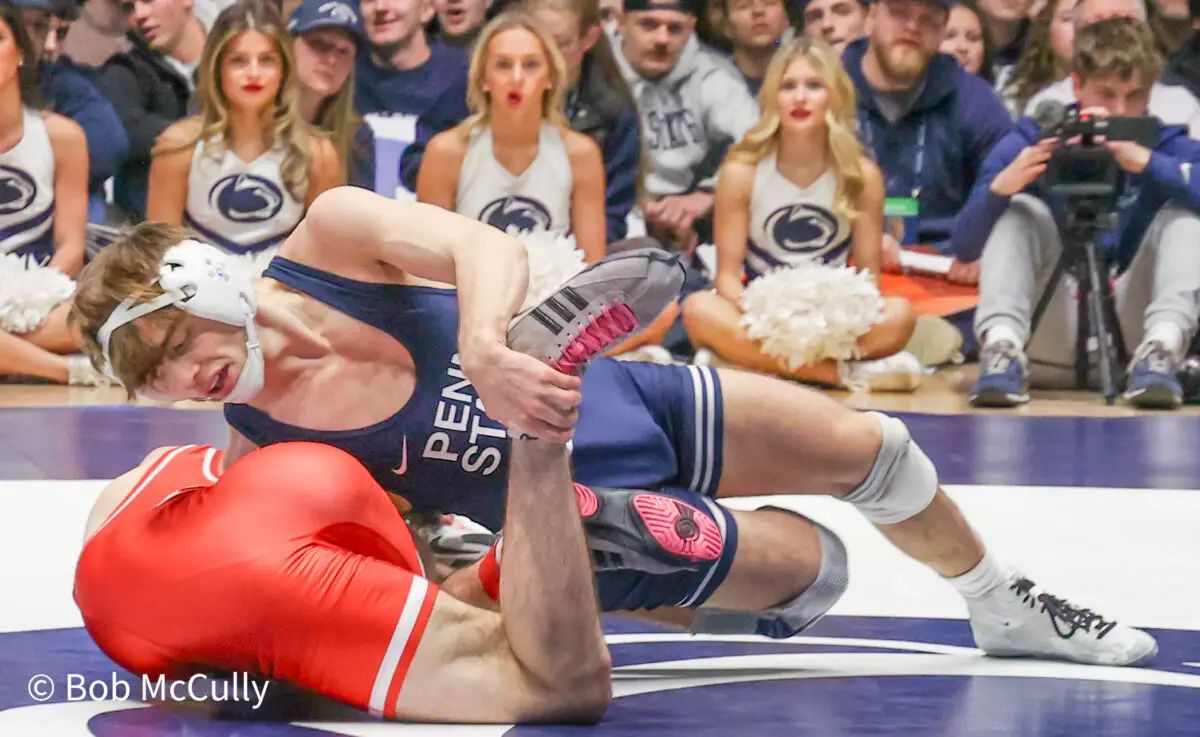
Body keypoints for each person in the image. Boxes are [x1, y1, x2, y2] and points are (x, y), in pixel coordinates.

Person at [71, 183, 1160, 669]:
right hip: (584, 518)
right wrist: (496, 571)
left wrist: (491, 345)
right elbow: (384, 560)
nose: (180, 380)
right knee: (810, 571)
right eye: (155, 379)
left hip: (624, 398)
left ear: (199, 279)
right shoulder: (265, 439)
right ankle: (687, 600)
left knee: (877, 448)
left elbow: (480, 249)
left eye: (169, 347)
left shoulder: (332, 237)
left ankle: (1001, 600)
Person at [75, 437, 616, 723]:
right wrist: (511, 567)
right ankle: (539, 452)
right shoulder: (351, 552)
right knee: (561, 685)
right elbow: (517, 647)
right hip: (281, 522)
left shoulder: (171, 462)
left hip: (116, 551)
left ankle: (514, 552)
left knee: (443, 610)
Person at [954, 17, 1200, 409]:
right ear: (1077, 85)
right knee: (1017, 208)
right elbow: (964, 245)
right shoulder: (1036, 136)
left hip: (1131, 332)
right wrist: (1002, 188)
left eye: (1134, 95)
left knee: (1185, 217)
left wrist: (1154, 166)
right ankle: (1001, 350)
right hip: (1049, 328)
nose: (1119, 110)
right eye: (1106, 93)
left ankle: (1163, 351)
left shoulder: (1164, 142)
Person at [681, 39, 922, 391]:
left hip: (832, 319)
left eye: (814, 86)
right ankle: (834, 374)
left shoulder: (862, 175)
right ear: (772, 98)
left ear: (834, 97)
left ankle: (750, 364)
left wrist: (830, 321)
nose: (800, 98)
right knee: (699, 309)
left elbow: (869, 279)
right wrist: (768, 318)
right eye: (788, 86)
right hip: (764, 316)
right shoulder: (741, 173)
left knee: (901, 314)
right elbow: (728, 277)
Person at [146, 0, 341, 255]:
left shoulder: (318, 154)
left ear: (284, 69)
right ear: (217, 68)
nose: (253, 73)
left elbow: (327, 258)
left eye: (267, 60)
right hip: (199, 291)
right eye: (238, 61)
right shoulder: (178, 146)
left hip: (284, 291)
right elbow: (159, 256)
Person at [417, 11, 608, 261]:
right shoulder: (446, 152)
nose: (516, 78)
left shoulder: (580, 154)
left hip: (554, 296)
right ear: (484, 78)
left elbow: (592, 269)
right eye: (503, 65)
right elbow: (427, 269)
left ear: (550, 77)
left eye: (530, 65)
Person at [0, 1, 102, 385]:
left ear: (21, 52)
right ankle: (64, 371)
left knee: (96, 317)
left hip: (43, 301)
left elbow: (71, 250)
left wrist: (28, 299)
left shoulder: (62, 137)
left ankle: (11, 355)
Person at [288, 0, 375, 189]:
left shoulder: (357, 136)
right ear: (288, 45)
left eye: (344, 51)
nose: (331, 60)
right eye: (319, 45)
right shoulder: (257, 120)